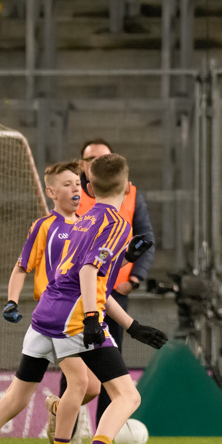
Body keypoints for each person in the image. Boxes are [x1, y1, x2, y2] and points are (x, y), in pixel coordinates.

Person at [0, 154, 168, 444]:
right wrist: (92, 318)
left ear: (89, 187)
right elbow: (89, 273)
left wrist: (133, 327)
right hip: (73, 319)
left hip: (45, 315)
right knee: (126, 396)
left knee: (15, 399)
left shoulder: (85, 218)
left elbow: (86, 276)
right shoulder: (118, 223)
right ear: (128, 184)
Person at [0, 160, 100, 444]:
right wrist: (12, 300)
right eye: (67, 184)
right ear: (51, 191)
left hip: (78, 314)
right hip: (55, 317)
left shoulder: (86, 226)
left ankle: (57, 410)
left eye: (77, 183)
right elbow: (21, 267)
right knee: (80, 383)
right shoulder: (44, 226)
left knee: (92, 386)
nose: (75, 189)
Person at [64, 138, 157, 426]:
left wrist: (132, 272)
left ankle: (64, 434)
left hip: (77, 301)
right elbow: (89, 269)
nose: (98, 164)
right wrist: (93, 316)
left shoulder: (91, 215)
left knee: (22, 392)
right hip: (79, 304)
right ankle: (84, 436)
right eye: (92, 160)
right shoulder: (109, 220)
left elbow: (87, 261)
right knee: (120, 390)